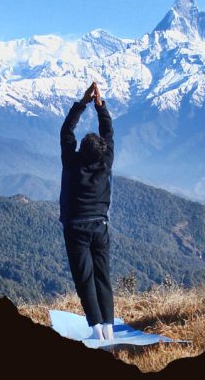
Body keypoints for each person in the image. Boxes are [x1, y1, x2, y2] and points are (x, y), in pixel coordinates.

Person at [59, 82, 116, 340]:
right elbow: (109, 132)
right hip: (101, 226)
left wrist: (83, 103)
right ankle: (109, 327)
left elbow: (66, 131)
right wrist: (100, 107)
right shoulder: (105, 163)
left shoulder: (72, 162)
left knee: (85, 279)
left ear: (81, 150)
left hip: (76, 228)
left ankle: (95, 328)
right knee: (103, 276)